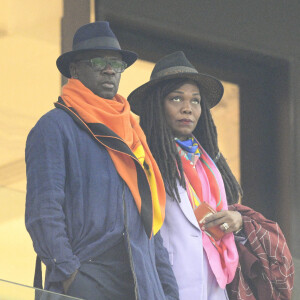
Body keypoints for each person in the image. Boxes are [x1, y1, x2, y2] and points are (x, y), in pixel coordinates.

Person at [25, 21, 179, 300]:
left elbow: (148, 223)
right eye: (99, 62)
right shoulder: (55, 127)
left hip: (142, 283)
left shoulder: (134, 134)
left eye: (116, 64)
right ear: (75, 70)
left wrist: (168, 288)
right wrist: (72, 276)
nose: (110, 70)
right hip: (87, 275)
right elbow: (43, 213)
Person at [128, 51, 294, 300]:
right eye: (176, 99)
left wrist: (237, 220)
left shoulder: (209, 161)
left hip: (216, 283)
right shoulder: (145, 159)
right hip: (168, 284)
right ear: (157, 104)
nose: (187, 108)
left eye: (195, 101)